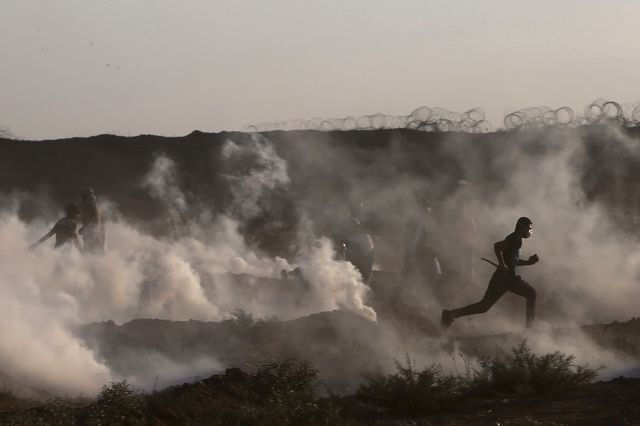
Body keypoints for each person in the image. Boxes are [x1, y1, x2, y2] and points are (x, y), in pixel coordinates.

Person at [441, 217, 539, 330]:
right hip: (505, 278)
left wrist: (528, 262)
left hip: (506, 278)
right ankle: (530, 331)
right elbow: (497, 246)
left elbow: (513, 261)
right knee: (531, 294)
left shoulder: (517, 240)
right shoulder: (513, 239)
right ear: (521, 227)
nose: (529, 231)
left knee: (484, 306)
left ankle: (451, 314)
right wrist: (502, 264)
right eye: (529, 228)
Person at [393, 198, 442, 303]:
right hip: (414, 254)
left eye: (428, 211)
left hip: (421, 254)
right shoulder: (413, 223)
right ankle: (395, 299)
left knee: (430, 278)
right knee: (407, 277)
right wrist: (410, 254)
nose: (427, 213)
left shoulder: (423, 224)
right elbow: (409, 240)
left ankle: (398, 298)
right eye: (425, 211)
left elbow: (424, 241)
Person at [339, 202, 375, 284]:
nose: (360, 211)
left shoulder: (360, 222)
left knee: (363, 280)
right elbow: (343, 239)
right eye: (358, 209)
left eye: (360, 209)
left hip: (366, 253)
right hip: (358, 253)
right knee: (357, 278)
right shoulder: (349, 222)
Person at [79, 187, 105, 253]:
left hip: (94, 232)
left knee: (96, 250)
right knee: (90, 250)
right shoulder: (86, 206)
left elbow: (95, 220)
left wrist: (84, 227)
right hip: (89, 232)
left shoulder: (92, 206)